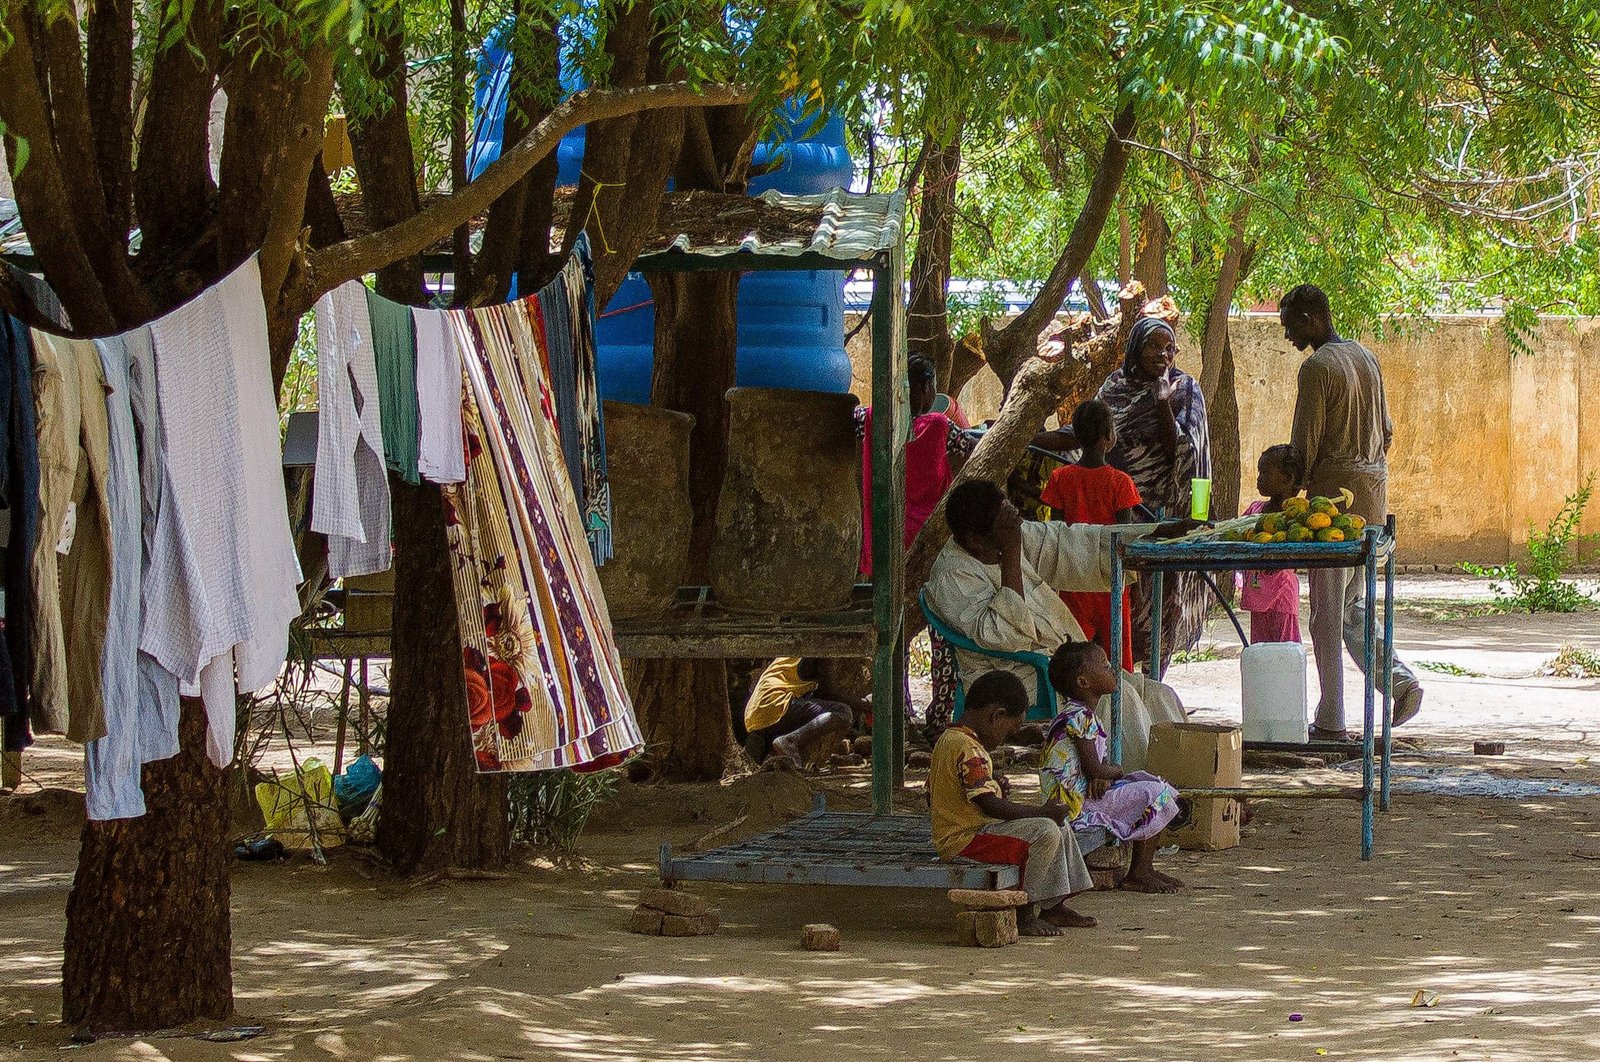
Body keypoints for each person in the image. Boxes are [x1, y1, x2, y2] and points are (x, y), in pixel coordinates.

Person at [923, 479, 1191, 770]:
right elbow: (1005, 636)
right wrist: (1012, 553)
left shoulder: (1007, 534)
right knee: (1118, 700)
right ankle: (1135, 791)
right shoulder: (952, 577)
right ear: (976, 540)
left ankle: (1180, 784)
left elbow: (1069, 543)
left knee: (1157, 694)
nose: (1018, 530)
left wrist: (1155, 534)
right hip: (1013, 670)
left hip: (1055, 659)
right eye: (1009, 528)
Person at [1280, 284, 1423, 739]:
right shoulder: (1366, 356)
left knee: (1325, 616)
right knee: (1352, 610)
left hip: (1334, 512)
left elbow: (1305, 444)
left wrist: (1286, 495)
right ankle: (1399, 682)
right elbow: (1387, 431)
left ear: (1308, 319)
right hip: (1374, 502)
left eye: (1288, 326)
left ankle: (1331, 719)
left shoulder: (1317, 368)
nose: (1287, 336)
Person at [930, 670, 1098, 935]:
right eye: (1009, 731)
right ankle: (1024, 911)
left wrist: (993, 783)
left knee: (1058, 826)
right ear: (997, 716)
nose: (1005, 739)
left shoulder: (951, 740)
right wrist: (1041, 811)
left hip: (974, 832)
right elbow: (990, 806)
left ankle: (1054, 905)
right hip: (965, 840)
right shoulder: (969, 748)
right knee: (1045, 831)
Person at [1095, 315, 1213, 674]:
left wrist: (1162, 401)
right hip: (1117, 511)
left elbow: (1185, 451)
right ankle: (1118, 681)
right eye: (1153, 346)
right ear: (1135, 348)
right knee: (1120, 597)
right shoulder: (1114, 387)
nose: (1163, 354)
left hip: (1162, 512)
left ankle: (1153, 683)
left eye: (1169, 348)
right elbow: (1091, 436)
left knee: (1161, 600)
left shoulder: (1183, 388)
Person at [1041, 641, 1185, 894]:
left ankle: (1144, 868)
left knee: (1147, 783)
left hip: (1081, 795)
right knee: (1156, 792)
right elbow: (1096, 769)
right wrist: (1114, 772)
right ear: (1084, 682)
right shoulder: (1081, 717)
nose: (1113, 670)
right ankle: (1140, 872)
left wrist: (1104, 775)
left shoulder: (1080, 715)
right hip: (1074, 806)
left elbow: (1095, 767)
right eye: (1105, 666)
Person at [1039, 399, 1141, 672]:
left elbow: (1056, 534)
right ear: (1110, 436)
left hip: (1073, 579)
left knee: (1070, 658)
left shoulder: (1060, 478)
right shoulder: (1120, 482)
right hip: (1111, 581)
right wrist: (1137, 587)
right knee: (1119, 662)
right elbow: (1126, 539)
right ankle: (1120, 711)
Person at [858, 354, 973, 575]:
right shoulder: (939, 426)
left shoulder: (870, 419)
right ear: (926, 386)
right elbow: (970, 445)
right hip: (927, 535)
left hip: (884, 533)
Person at [1237, 444, 1305, 644]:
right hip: (1258, 595)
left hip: (1281, 595)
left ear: (1287, 478)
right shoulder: (1255, 511)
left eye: (1265, 473)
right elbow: (1237, 534)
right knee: (1261, 652)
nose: (1259, 478)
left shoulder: (1295, 517)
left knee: (1287, 652)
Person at [742, 657, 853, 768]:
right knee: (843, 711)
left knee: (755, 771)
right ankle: (790, 741)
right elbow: (828, 693)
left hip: (754, 717)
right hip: (777, 705)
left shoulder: (790, 655)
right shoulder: (814, 653)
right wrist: (866, 705)